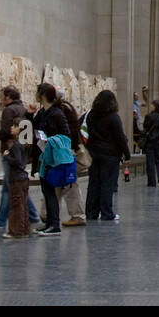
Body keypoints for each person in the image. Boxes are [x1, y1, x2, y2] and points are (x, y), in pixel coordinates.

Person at [28, 82, 72, 236]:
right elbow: (31, 130)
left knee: (51, 192)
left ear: (43, 95)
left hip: (53, 157)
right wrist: (29, 114)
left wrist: (51, 141)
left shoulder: (57, 114)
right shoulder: (42, 113)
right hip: (43, 157)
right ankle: (49, 222)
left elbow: (66, 135)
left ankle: (54, 224)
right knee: (46, 191)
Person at [0, 85, 40, 229]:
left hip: (12, 151)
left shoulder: (9, 110)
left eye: (3, 96)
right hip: (23, 151)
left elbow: (6, 129)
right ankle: (31, 215)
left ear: (8, 97)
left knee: (10, 187)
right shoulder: (23, 109)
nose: (1, 99)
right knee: (14, 185)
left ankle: (2, 220)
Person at [84, 90, 131, 221]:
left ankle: (91, 212)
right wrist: (127, 155)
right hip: (110, 155)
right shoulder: (113, 117)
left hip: (94, 153)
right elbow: (120, 138)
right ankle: (106, 212)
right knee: (107, 183)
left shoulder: (91, 115)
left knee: (94, 183)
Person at [53, 90, 87, 227]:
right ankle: (47, 213)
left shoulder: (62, 111)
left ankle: (77, 215)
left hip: (65, 153)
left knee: (69, 184)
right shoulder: (64, 108)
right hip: (63, 152)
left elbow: (70, 131)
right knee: (57, 183)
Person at [0, 122, 30, 239]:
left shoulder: (16, 145)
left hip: (17, 178)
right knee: (22, 204)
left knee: (16, 205)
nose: (11, 127)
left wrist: (6, 156)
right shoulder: (23, 144)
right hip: (23, 178)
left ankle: (16, 231)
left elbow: (17, 162)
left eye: (14, 126)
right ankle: (24, 229)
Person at [141, 99, 159, 187]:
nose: (150, 106)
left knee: (150, 162)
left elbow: (145, 127)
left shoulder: (148, 116)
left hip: (150, 141)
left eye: (151, 105)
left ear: (155, 106)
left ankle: (152, 182)